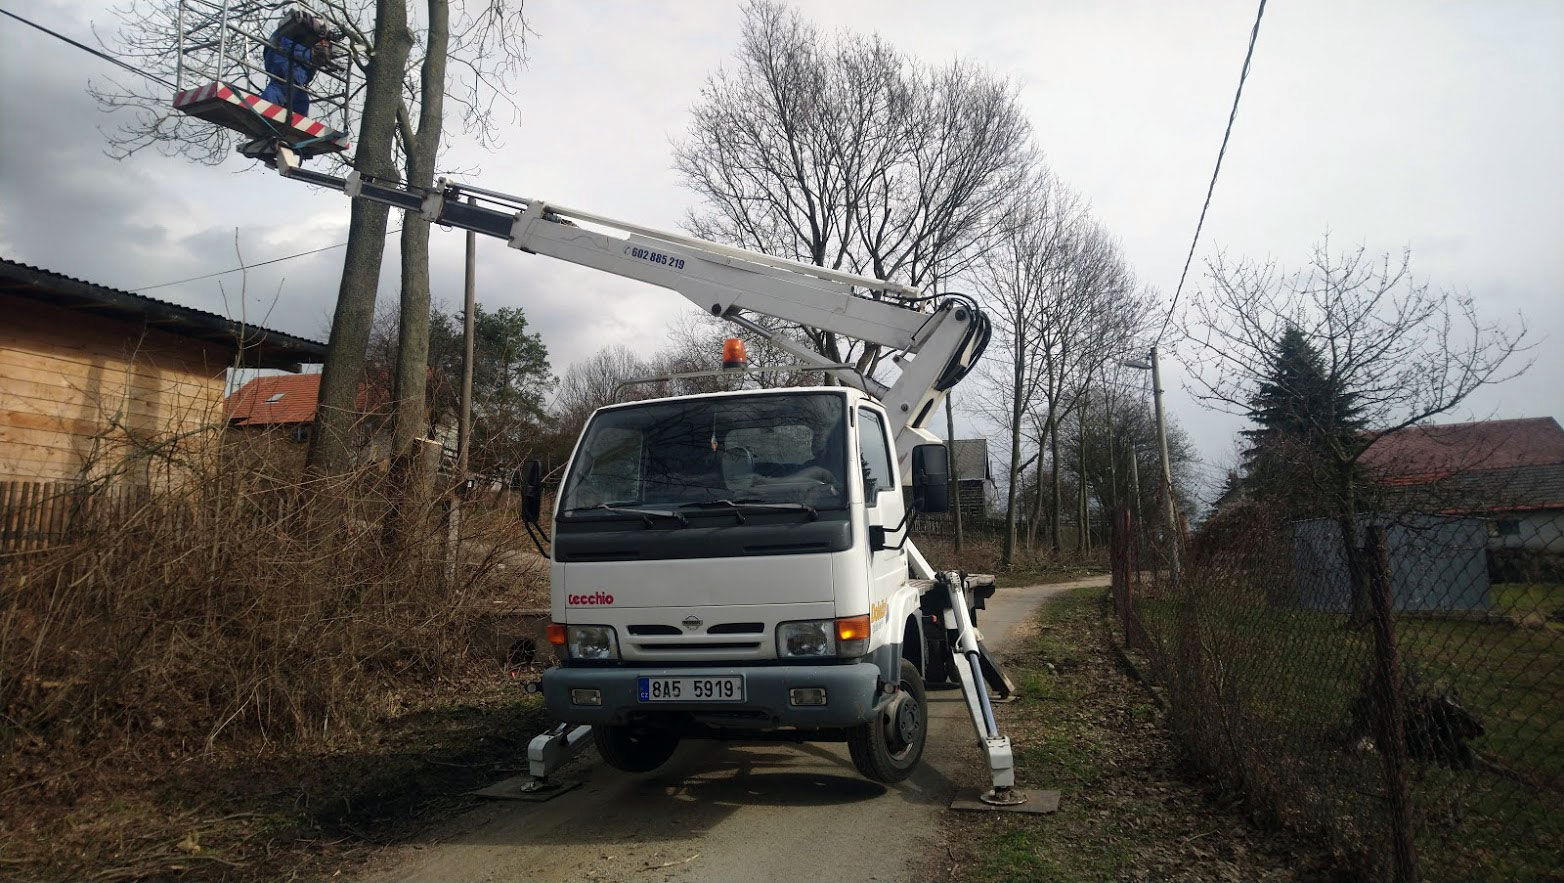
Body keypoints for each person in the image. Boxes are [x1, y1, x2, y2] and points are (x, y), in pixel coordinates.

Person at [259, 16, 332, 116]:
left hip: (283, 58)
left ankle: (297, 122)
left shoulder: (304, 44)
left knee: (300, 99)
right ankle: (264, 109)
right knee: (282, 86)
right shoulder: (304, 34)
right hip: (286, 59)